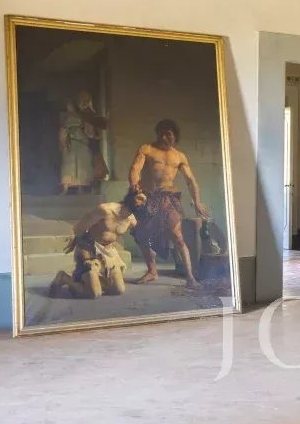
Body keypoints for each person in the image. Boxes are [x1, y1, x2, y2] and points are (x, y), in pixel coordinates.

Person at [127, 119, 209, 288]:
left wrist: (197, 202)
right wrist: (135, 187)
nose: (164, 137)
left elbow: (190, 181)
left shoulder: (179, 156)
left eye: (168, 134)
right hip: (147, 197)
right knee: (142, 235)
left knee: (177, 236)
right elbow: (135, 169)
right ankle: (152, 271)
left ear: (175, 136)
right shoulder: (147, 149)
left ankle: (190, 277)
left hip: (169, 199)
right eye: (161, 134)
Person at [48, 200, 136, 299]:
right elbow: (80, 227)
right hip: (90, 248)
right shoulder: (105, 210)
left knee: (118, 289)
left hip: (109, 252)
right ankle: (64, 278)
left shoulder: (132, 219)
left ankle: (91, 282)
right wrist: (77, 242)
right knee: (94, 294)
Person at [56, 91, 110, 195]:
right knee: (69, 166)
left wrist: (92, 133)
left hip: (85, 144)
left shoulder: (84, 116)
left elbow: (93, 127)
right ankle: (67, 187)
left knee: (88, 166)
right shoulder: (66, 118)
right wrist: (64, 141)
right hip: (73, 144)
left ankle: (86, 188)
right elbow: (63, 131)